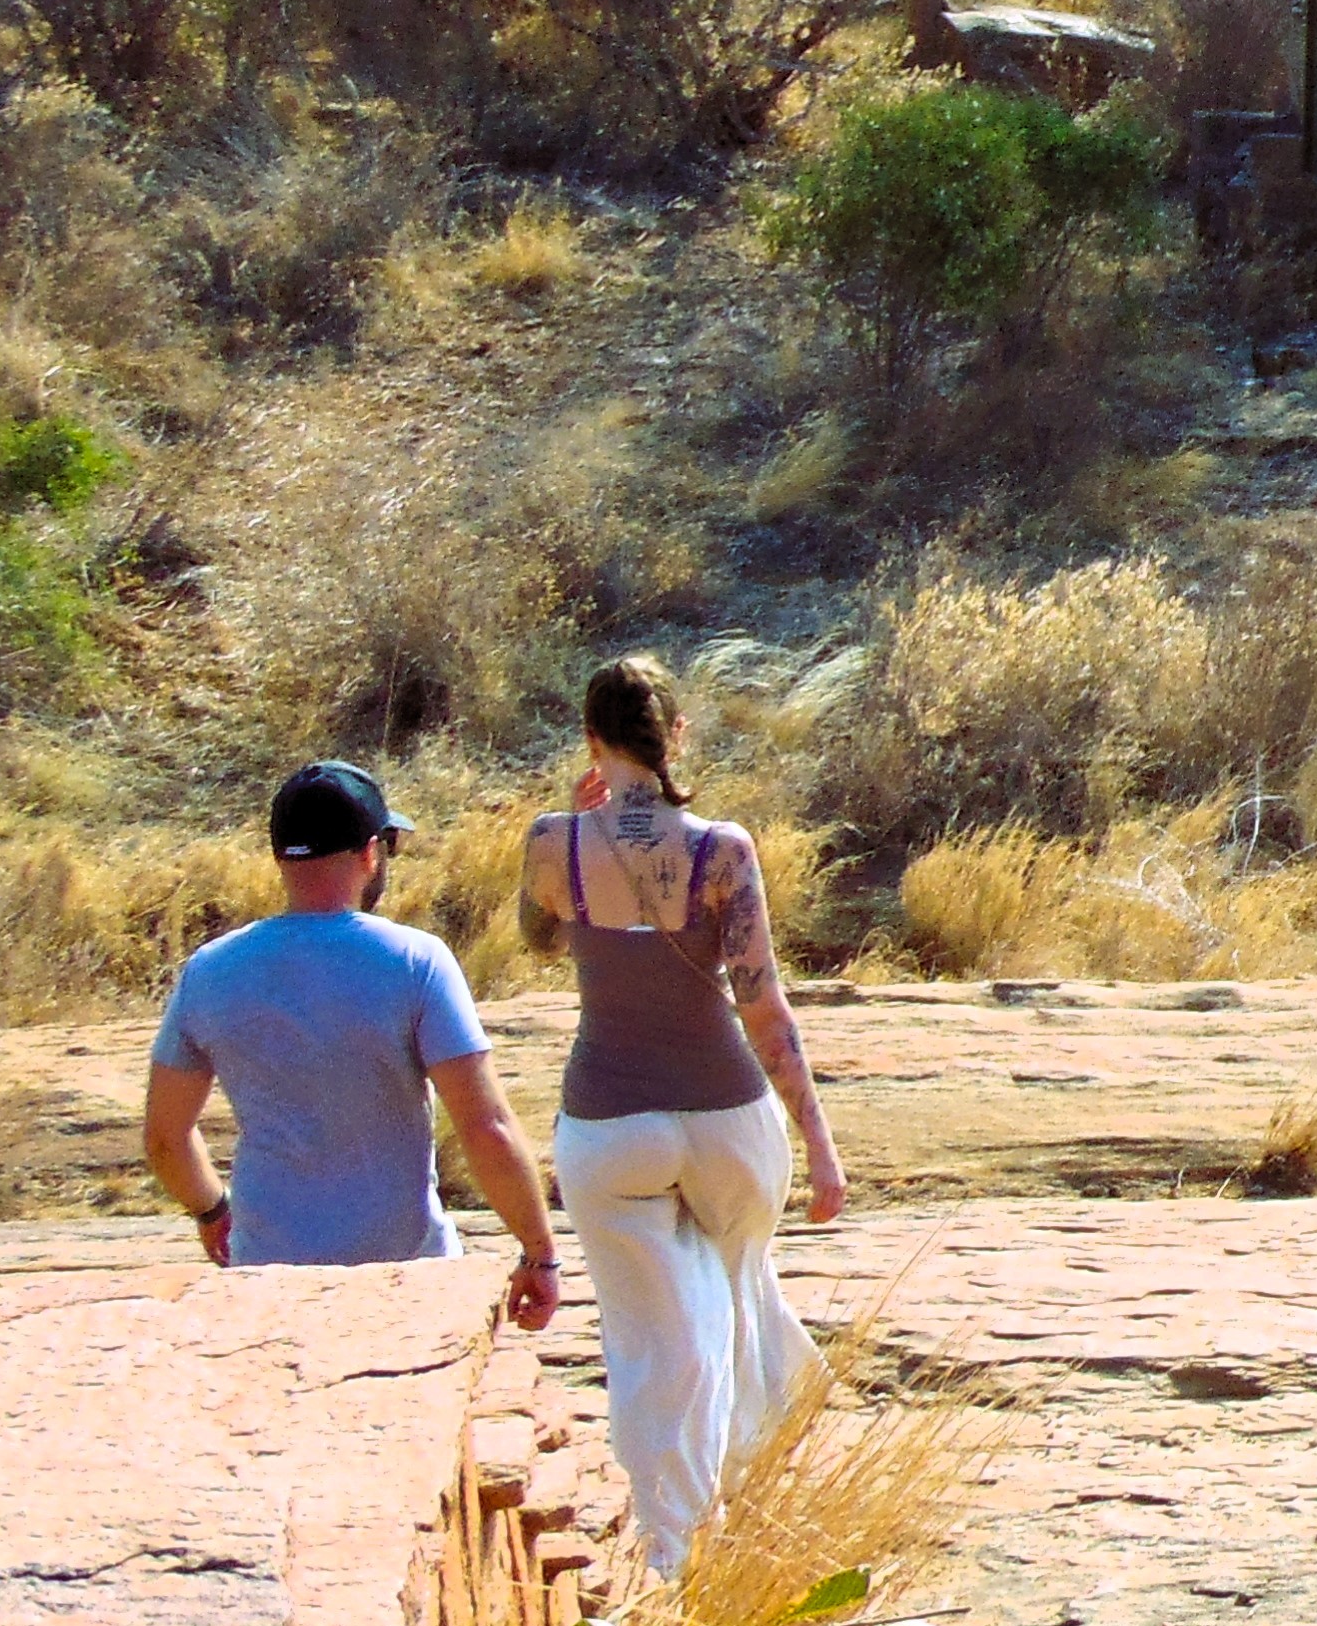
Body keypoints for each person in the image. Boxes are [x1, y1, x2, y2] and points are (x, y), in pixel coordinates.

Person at [520, 657, 848, 1576]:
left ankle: (674, 1537)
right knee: (740, 1287)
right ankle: (763, 1480)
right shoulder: (723, 850)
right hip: (725, 1119)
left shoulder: (553, 842)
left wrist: (577, 811)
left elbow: (537, 935)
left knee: (651, 1337)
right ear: (677, 738)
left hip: (608, 1122)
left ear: (592, 741)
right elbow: (764, 1007)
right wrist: (821, 1149)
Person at [146, 760, 561, 1334]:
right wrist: (540, 1252)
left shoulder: (210, 970)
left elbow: (166, 1140)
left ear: (280, 858)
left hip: (267, 1281)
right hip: (407, 1281)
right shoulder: (417, 961)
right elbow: (486, 1127)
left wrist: (212, 1209)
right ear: (370, 853)